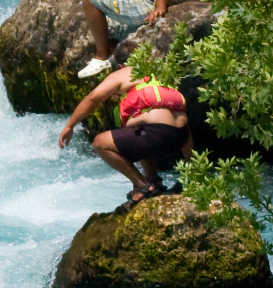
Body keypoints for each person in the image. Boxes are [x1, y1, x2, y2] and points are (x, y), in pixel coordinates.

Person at [57, 66, 193, 202]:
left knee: (100, 143)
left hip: (155, 135)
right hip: (180, 137)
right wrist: (192, 168)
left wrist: (70, 126)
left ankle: (143, 186)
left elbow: (93, 98)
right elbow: (180, 124)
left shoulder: (125, 71)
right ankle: (154, 181)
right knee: (138, 132)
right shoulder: (160, 72)